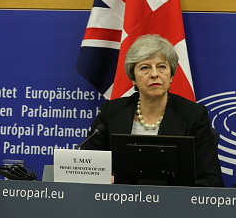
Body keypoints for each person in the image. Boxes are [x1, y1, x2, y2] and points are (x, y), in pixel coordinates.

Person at [81, 34, 223, 187]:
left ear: (171, 75)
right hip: (119, 203)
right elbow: (87, 168)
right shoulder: (112, 112)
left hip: (172, 206)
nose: (155, 74)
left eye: (162, 67)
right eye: (145, 68)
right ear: (133, 77)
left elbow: (211, 181)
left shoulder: (193, 115)